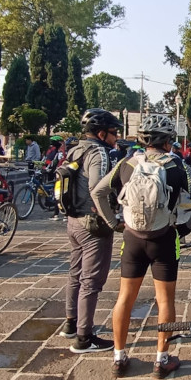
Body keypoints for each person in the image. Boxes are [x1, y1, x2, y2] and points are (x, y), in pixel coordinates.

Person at [92, 113, 191, 379]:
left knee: (125, 299)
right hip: (164, 238)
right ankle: (161, 360)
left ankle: (120, 358)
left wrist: (113, 223)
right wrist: (186, 227)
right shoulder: (176, 165)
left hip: (132, 238)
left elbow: (98, 191)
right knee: (165, 299)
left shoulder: (126, 162)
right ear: (167, 141)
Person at [60, 109, 122, 353]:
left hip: (73, 221)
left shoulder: (76, 149)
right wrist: (112, 221)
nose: (116, 138)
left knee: (75, 274)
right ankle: (84, 338)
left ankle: (71, 324)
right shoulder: (98, 152)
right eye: (114, 133)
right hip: (93, 224)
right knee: (91, 282)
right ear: (101, 133)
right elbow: (98, 189)